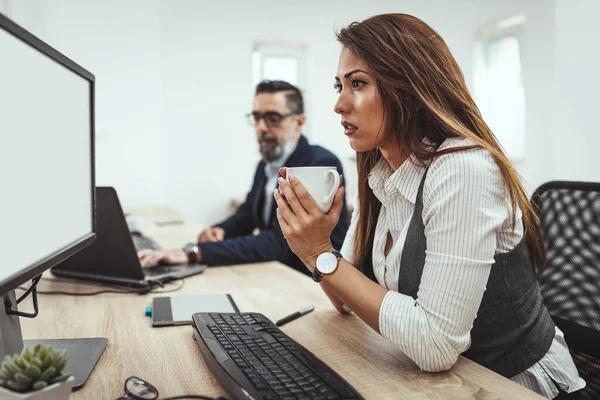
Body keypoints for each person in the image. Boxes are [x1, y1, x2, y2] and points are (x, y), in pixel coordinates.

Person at [273, 14, 585, 399]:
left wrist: (323, 255)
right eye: (339, 85)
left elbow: (436, 345)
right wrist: (311, 247)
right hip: (432, 383)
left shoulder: (463, 170)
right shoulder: (381, 170)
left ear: (409, 86)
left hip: (508, 386)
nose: (339, 104)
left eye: (357, 83)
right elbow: (345, 300)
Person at [138, 80, 349, 276]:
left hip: (314, 281)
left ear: (299, 121)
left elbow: (281, 243)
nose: (262, 127)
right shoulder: (265, 166)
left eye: (273, 118)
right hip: (277, 274)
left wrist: (196, 252)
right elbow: (247, 215)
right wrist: (220, 231)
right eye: (257, 117)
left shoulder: (318, 165)